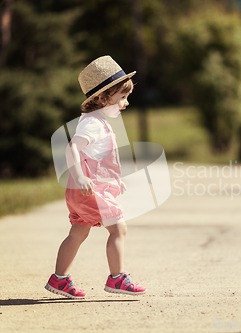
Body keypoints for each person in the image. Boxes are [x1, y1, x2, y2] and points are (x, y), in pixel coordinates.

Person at [45, 56, 147, 298]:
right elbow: (73, 148)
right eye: (122, 97)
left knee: (78, 232)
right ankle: (117, 278)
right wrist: (79, 176)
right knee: (118, 229)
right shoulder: (93, 125)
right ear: (102, 98)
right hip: (89, 190)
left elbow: (96, 158)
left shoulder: (94, 121)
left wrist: (113, 180)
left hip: (83, 191)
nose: (126, 103)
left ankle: (59, 279)